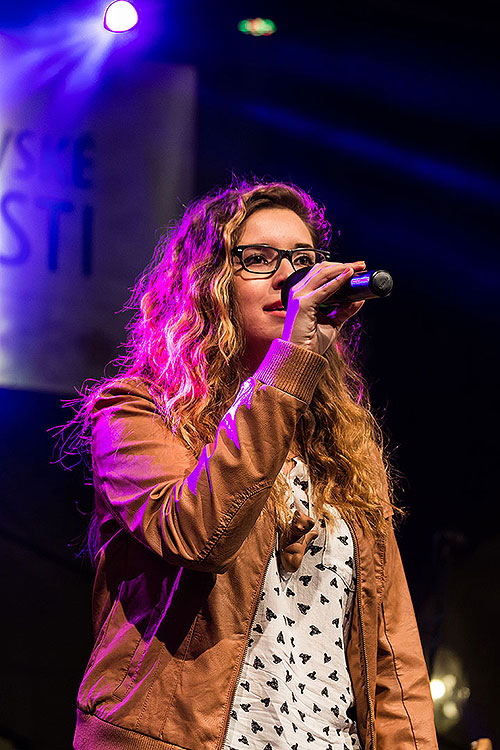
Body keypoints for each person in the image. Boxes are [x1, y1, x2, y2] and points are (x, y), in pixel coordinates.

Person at [70, 180, 438, 749]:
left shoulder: (340, 444)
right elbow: (198, 535)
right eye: (257, 258)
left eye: (301, 259)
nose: (287, 277)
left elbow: (392, 653)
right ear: (206, 284)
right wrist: (288, 366)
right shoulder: (137, 414)